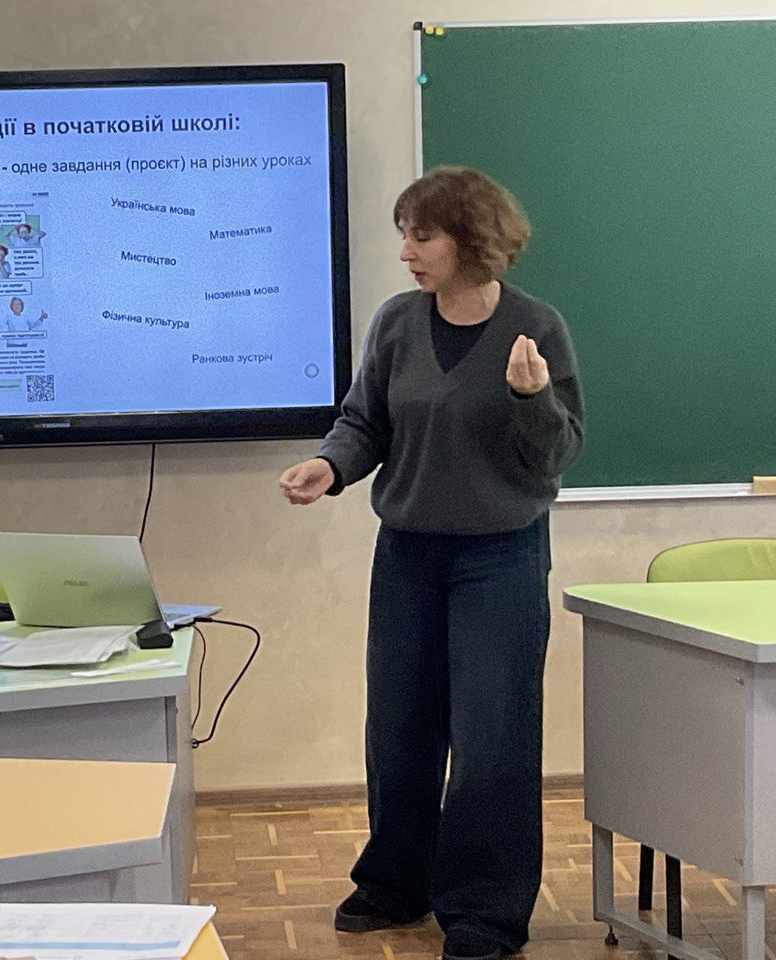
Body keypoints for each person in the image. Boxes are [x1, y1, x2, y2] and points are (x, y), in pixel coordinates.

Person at [277, 166, 584, 960]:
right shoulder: (397, 323)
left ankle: (484, 911)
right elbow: (364, 422)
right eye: (404, 235)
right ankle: (395, 883)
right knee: (399, 727)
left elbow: (557, 453)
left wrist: (532, 398)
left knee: (492, 737)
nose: (407, 252)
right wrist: (331, 466)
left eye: (423, 236)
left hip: (501, 555)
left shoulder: (535, 328)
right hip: (408, 553)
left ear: (470, 240)